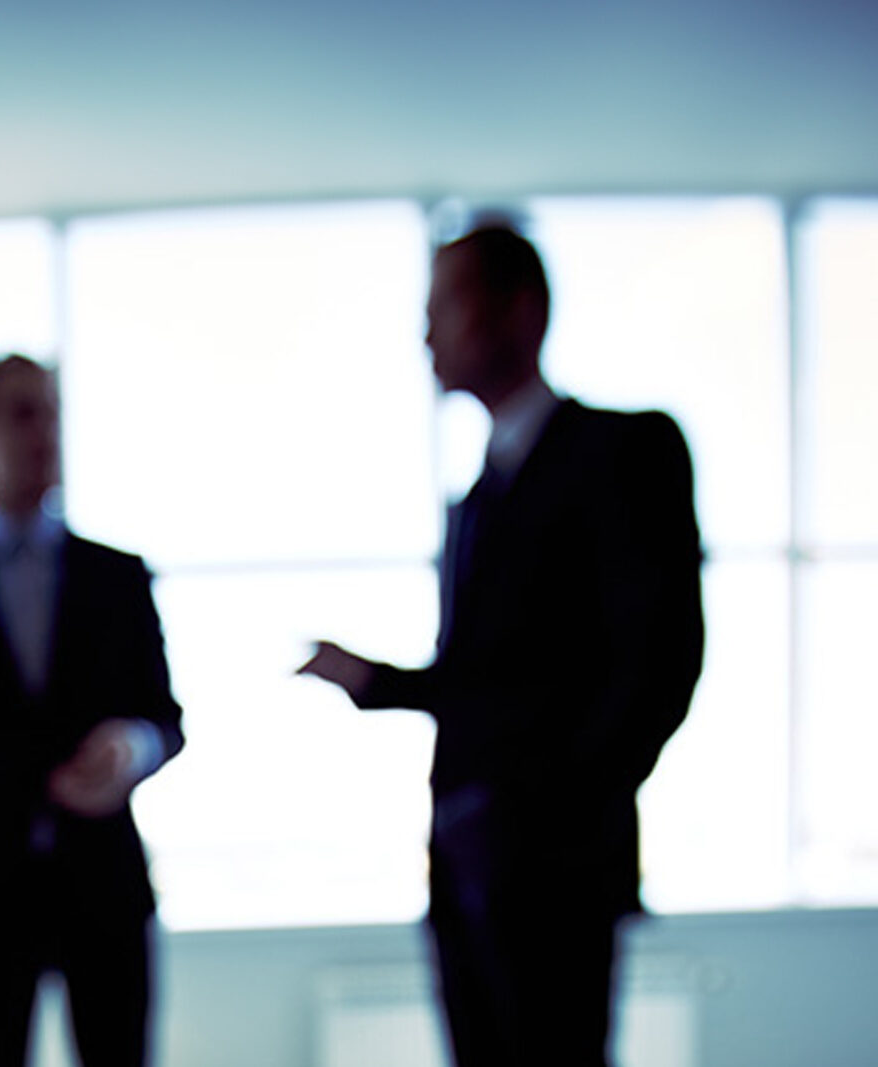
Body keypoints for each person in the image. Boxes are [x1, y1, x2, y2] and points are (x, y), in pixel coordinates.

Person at [298, 225, 703, 1066]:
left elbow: (660, 662)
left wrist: (559, 816)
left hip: (558, 869)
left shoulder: (626, 449)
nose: (426, 333)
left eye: (444, 304)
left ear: (521, 308)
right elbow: (492, 680)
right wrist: (379, 683)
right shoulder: (476, 497)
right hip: (459, 865)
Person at [0, 354, 184, 1067]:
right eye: (22, 412)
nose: (44, 431)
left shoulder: (119, 575)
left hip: (104, 883)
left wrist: (129, 749)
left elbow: (165, 718)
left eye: (51, 411)